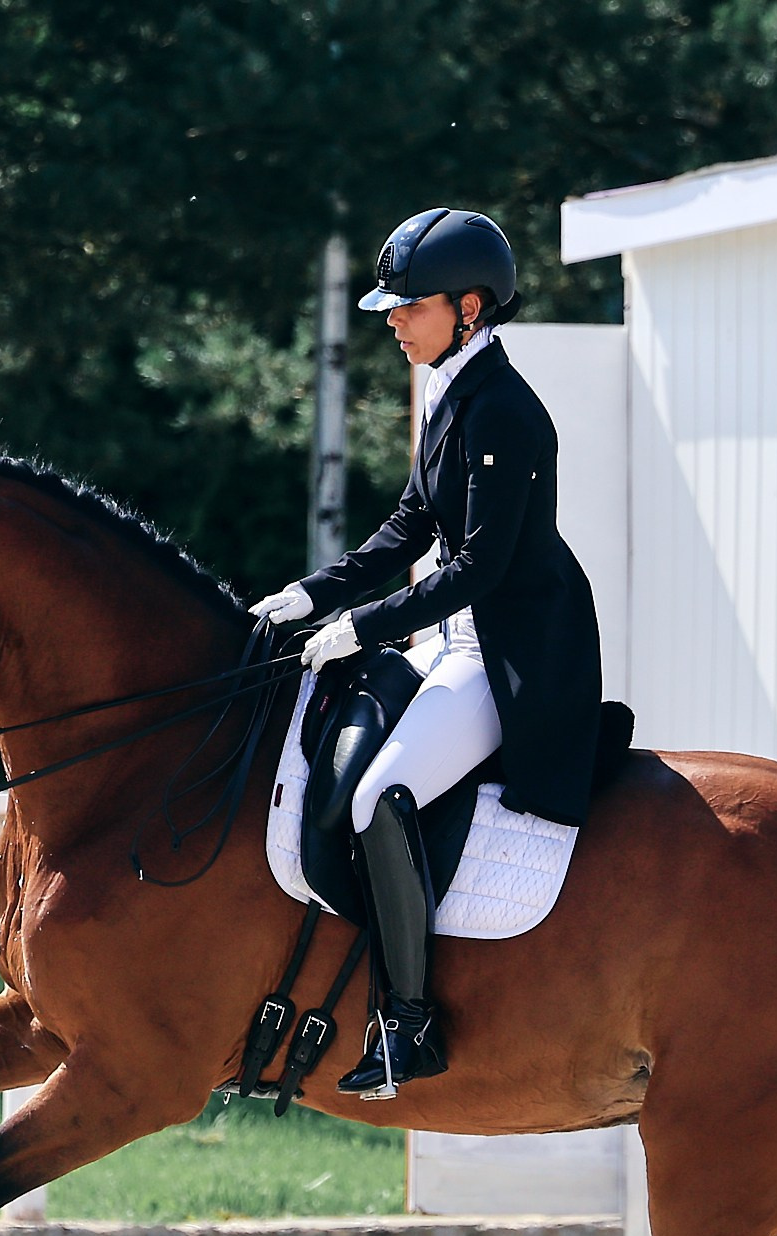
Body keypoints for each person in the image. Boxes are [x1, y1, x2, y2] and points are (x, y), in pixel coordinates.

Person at [249, 208, 604, 1098]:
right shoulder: (454, 394)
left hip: (506, 655)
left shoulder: (507, 412)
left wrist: (361, 628)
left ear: (470, 308)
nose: (394, 321)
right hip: (452, 637)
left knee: (380, 794)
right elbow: (408, 529)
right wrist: (309, 595)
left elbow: (478, 569)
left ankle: (410, 1021)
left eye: (409, 307)